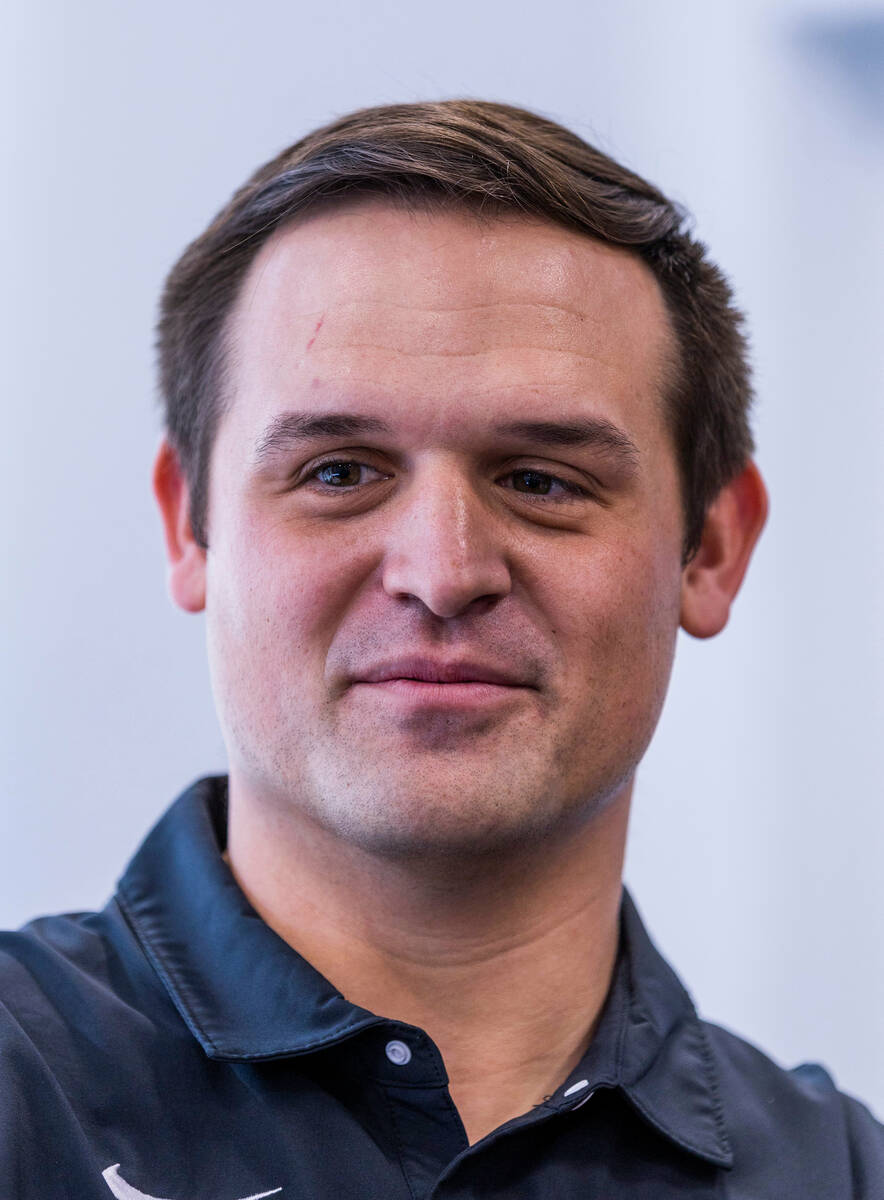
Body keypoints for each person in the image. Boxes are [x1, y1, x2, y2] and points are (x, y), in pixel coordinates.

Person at [1, 99, 881, 1200]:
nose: (442, 570)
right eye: (338, 472)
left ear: (707, 549)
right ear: (191, 527)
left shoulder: (837, 1175)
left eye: (539, 479)